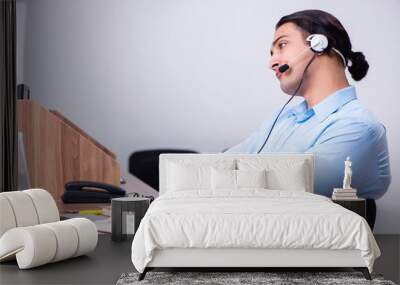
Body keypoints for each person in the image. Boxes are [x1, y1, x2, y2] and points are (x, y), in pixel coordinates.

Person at [225, 10, 391, 230]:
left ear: (318, 44)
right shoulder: (283, 117)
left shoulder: (358, 128)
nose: (272, 62)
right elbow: (223, 161)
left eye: (281, 45)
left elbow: (279, 188)